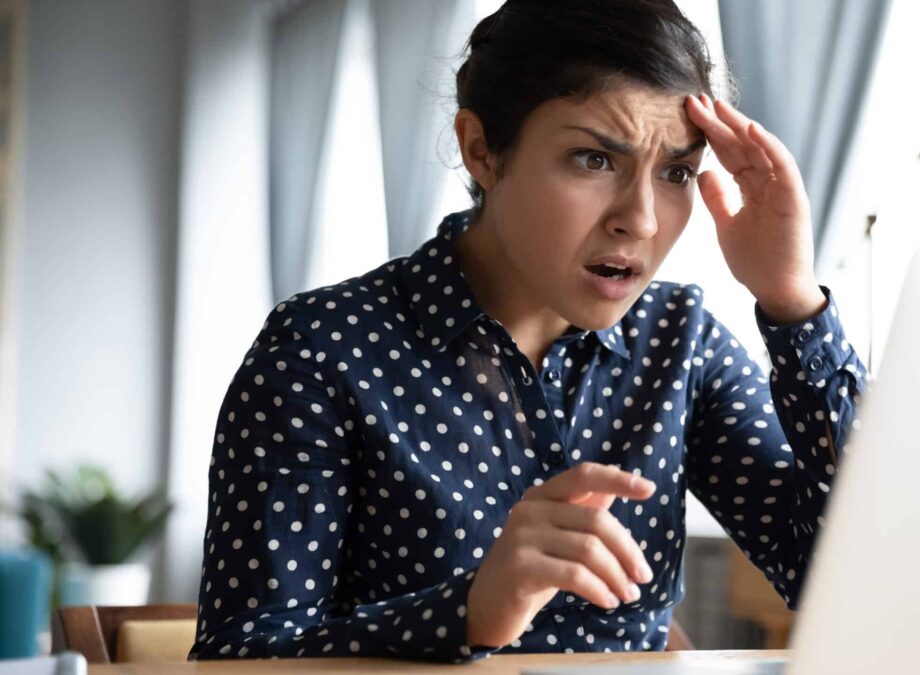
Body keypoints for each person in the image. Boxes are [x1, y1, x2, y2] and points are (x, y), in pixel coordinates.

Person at [189, 0, 869, 663]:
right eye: (594, 160)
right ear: (480, 149)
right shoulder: (320, 349)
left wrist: (792, 301)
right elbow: (240, 652)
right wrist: (467, 614)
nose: (643, 219)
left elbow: (849, 573)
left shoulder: (680, 341)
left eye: (676, 172)